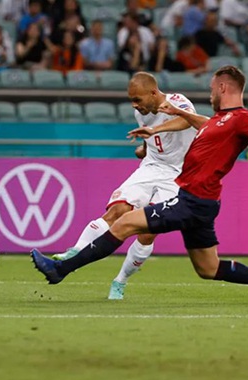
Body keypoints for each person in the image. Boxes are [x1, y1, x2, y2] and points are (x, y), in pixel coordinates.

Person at [31, 65, 248, 307]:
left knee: (125, 224)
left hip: (192, 200)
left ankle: (60, 269)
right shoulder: (219, 120)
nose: (210, 94)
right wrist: (156, 134)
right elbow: (203, 125)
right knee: (208, 268)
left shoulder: (242, 119)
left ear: (223, 87)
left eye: (212, 89)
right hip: (202, 202)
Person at [52, 72, 197, 300]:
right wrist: (145, 148)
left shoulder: (178, 101)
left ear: (153, 93)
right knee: (117, 210)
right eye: (131, 99)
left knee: (148, 231)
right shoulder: (141, 112)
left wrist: (155, 131)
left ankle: (120, 281)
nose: (134, 104)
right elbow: (152, 142)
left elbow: (188, 120)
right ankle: (75, 251)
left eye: (137, 99)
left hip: (177, 175)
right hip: (150, 168)